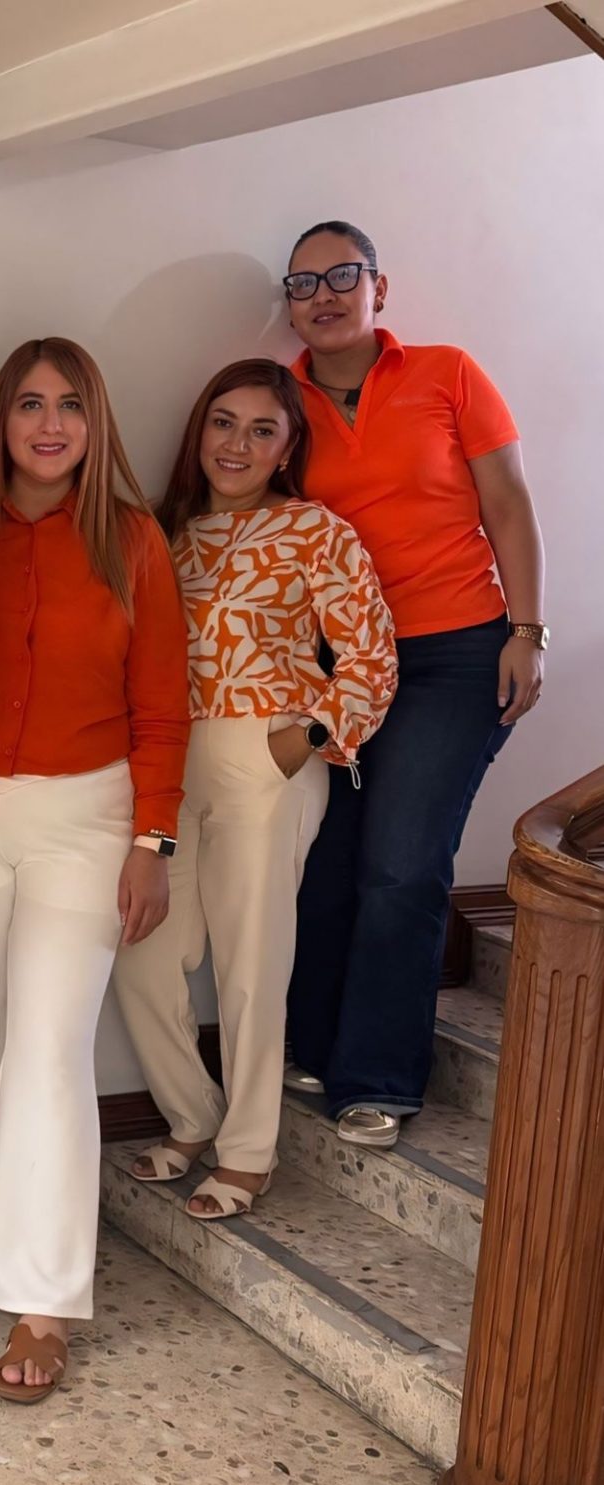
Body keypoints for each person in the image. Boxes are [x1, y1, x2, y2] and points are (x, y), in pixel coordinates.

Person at [0, 338, 189, 1404]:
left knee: (49, 1044)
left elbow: (162, 703)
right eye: (29, 404)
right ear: (1, 419)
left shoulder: (132, 540)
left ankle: (41, 1298)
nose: (49, 424)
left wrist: (153, 842)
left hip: (88, 816)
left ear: (95, 422)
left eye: (70, 405)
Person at [282, 221, 546, 1148]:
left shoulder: (447, 374)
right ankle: (313, 1043)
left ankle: (379, 1077)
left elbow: (506, 501)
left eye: (340, 275)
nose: (322, 295)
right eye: (301, 283)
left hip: (455, 654)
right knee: (327, 861)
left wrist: (526, 631)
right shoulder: (281, 400)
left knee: (400, 863)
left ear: (378, 287)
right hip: (339, 664)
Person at [111, 359, 396, 1217]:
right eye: (223, 422)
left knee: (249, 965)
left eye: (261, 430)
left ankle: (245, 1153)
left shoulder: (314, 530)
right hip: (164, 767)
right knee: (139, 952)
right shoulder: (159, 531)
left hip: (263, 762)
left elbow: (371, 658)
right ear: (199, 430)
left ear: (285, 449)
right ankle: (191, 1117)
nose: (236, 444)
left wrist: (296, 742)